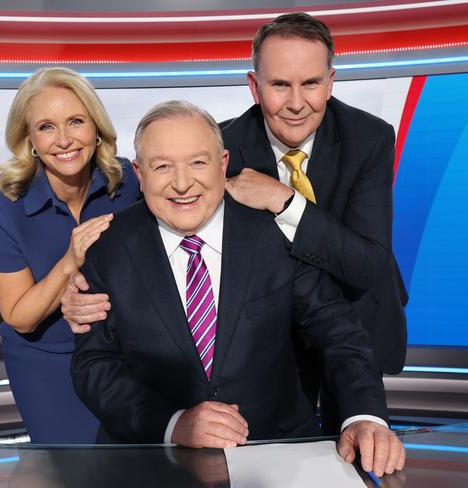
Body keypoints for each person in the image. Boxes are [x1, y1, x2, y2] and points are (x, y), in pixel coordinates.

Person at [71, 100, 405, 477]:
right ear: (139, 173)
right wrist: (173, 423)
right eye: (162, 166)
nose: (182, 183)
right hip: (152, 461)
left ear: (223, 163)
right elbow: (94, 364)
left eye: (198, 162)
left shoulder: (275, 231)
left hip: (275, 454)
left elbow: (339, 329)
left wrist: (363, 417)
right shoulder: (108, 246)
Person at [221, 12, 409, 432]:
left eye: (310, 83)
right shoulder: (222, 147)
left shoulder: (370, 137)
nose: (295, 102)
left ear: (330, 82)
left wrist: (282, 200)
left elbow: (366, 263)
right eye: (279, 84)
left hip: (357, 320)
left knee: (359, 452)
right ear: (254, 86)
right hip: (272, 341)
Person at [0, 67, 140, 443]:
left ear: (96, 127)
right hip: (48, 365)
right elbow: (20, 318)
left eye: (76, 121)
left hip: (128, 354)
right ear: (29, 138)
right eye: (47, 127)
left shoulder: (128, 181)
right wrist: (70, 260)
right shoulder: (2, 206)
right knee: (75, 473)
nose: (64, 140)